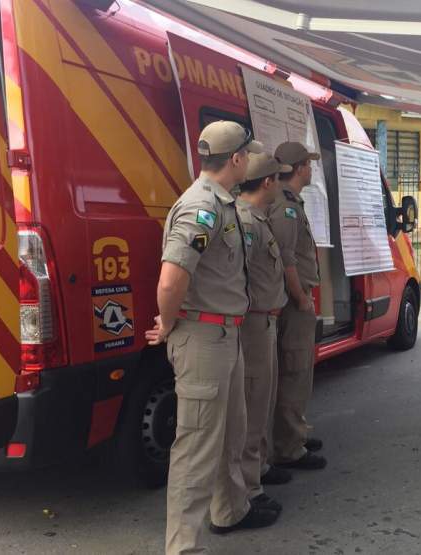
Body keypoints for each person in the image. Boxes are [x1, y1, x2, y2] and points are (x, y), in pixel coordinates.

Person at [146, 121, 276, 554]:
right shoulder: (202, 207)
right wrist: (167, 324)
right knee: (196, 450)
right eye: (247, 155)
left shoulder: (222, 203)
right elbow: (170, 280)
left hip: (225, 335)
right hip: (203, 338)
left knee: (229, 434)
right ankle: (182, 548)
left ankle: (230, 510)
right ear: (237, 160)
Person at [236, 152, 291, 514]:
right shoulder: (245, 222)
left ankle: (258, 469)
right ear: (268, 182)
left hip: (264, 321)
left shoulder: (255, 218)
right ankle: (248, 491)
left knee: (263, 401)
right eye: (277, 179)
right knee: (252, 407)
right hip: (253, 324)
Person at [269, 141, 327, 471]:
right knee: (294, 370)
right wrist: (301, 298)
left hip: (296, 296)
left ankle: (295, 433)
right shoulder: (285, 205)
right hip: (293, 299)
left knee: (298, 369)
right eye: (308, 164)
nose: (311, 168)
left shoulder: (290, 201)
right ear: (299, 167)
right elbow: (286, 257)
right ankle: (289, 446)